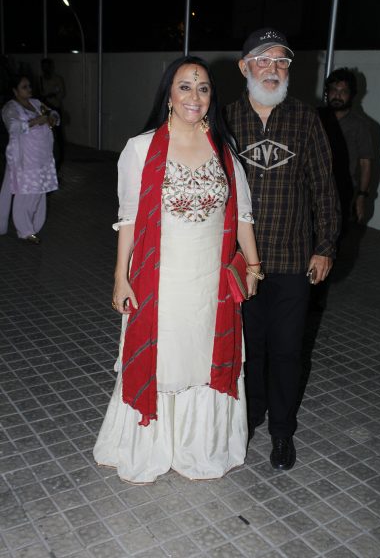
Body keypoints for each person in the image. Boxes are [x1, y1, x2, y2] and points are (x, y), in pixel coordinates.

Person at [93, 55, 261, 484]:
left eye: (203, 88)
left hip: (210, 283)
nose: (194, 96)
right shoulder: (140, 148)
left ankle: (199, 448)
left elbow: (242, 214)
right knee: (165, 358)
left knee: (205, 358)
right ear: (168, 94)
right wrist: (120, 276)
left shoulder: (223, 149)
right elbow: (129, 219)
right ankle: (151, 445)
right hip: (161, 281)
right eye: (185, 86)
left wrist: (253, 265)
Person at [224, 27, 340, 470]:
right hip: (240, 263)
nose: (272, 69)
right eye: (263, 60)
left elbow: (324, 188)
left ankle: (282, 432)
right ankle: (249, 418)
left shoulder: (306, 119)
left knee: (288, 351)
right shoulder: (226, 118)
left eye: (281, 62)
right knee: (248, 349)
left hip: (293, 260)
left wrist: (325, 246)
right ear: (244, 67)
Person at [0, 74, 59, 243]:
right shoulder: (10, 107)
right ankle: (24, 230)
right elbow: (13, 126)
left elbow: (52, 113)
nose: (29, 89)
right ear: (15, 91)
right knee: (26, 192)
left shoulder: (35, 103)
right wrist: (35, 121)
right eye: (24, 87)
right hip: (25, 157)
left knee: (40, 191)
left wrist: (52, 117)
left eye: (29, 86)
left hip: (42, 156)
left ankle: (34, 226)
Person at [320, 68, 374, 224]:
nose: (337, 95)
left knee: (336, 232)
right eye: (334, 90)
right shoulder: (315, 117)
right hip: (312, 187)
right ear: (327, 92)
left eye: (343, 91)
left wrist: (362, 196)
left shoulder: (360, 126)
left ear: (352, 95)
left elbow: (365, 163)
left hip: (341, 190)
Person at [39, 58, 66, 170]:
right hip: (44, 110)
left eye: (47, 66)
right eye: (43, 67)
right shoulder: (40, 79)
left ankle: (59, 161)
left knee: (58, 135)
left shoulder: (57, 79)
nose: (45, 69)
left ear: (51, 67)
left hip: (55, 108)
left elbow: (61, 94)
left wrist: (52, 95)